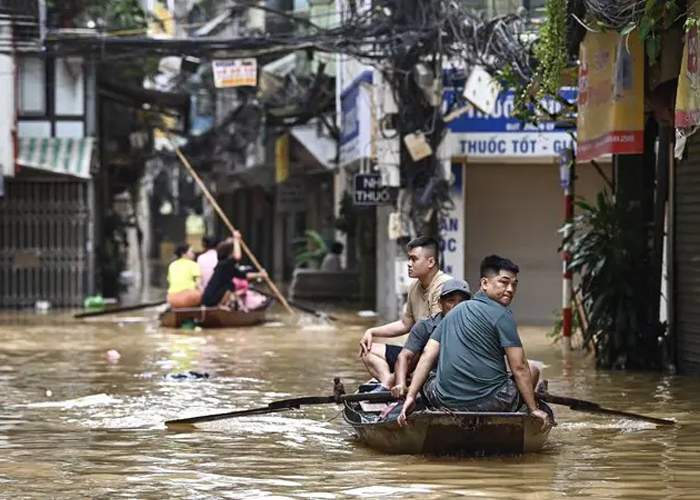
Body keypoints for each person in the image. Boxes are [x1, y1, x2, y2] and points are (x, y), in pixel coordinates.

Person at [397, 255, 551, 431]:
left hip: (443, 401)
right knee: (532, 369)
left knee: (430, 377)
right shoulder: (502, 315)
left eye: (514, 284)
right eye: (504, 282)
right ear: (484, 284)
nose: (510, 289)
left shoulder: (451, 313)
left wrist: (411, 396)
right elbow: (520, 368)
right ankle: (521, 413)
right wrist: (533, 409)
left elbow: (427, 356)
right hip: (492, 403)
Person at [359, 236, 451, 391]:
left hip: (434, 355)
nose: (409, 264)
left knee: (410, 356)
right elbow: (405, 324)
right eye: (409, 259)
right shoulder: (415, 286)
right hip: (414, 352)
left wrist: (404, 367)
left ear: (430, 262)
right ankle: (388, 382)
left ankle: (390, 384)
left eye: (414, 259)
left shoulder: (444, 287)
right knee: (367, 350)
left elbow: (433, 339)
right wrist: (371, 331)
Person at [390, 278, 471, 399]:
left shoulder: (475, 327)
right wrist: (400, 384)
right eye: (451, 301)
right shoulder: (425, 326)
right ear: (440, 303)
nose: (456, 306)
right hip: (432, 380)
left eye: (462, 302)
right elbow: (404, 357)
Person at [201, 234, 268, 309]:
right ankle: (220, 306)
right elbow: (237, 257)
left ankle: (222, 305)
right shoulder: (224, 265)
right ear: (229, 254)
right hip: (209, 299)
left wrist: (260, 275)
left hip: (211, 298)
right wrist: (236, 240)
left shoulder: (229, 268)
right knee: (231, 284)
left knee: (231, 284)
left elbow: (244, 275)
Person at [166, 244, 202, 308]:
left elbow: (170, 281)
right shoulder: (193, 264)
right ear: (183, 254)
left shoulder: (172, 265)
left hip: (172, 299)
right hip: (189, 297)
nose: (193, 254)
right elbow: (198, 283)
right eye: (191, 252)